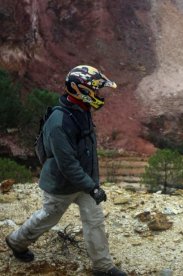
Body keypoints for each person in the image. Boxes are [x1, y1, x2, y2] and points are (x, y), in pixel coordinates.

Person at [5, 65, 127, 276]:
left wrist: (91, 183)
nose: (98, 94)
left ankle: (103, 267)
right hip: (61, 185)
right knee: (48, 217)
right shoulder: (59, 123)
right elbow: (67, 164)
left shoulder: (82, 110)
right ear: (82, 91)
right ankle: (16, 241)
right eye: (95, 90)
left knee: (94, 220)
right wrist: (92, 186)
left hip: (85, 182)